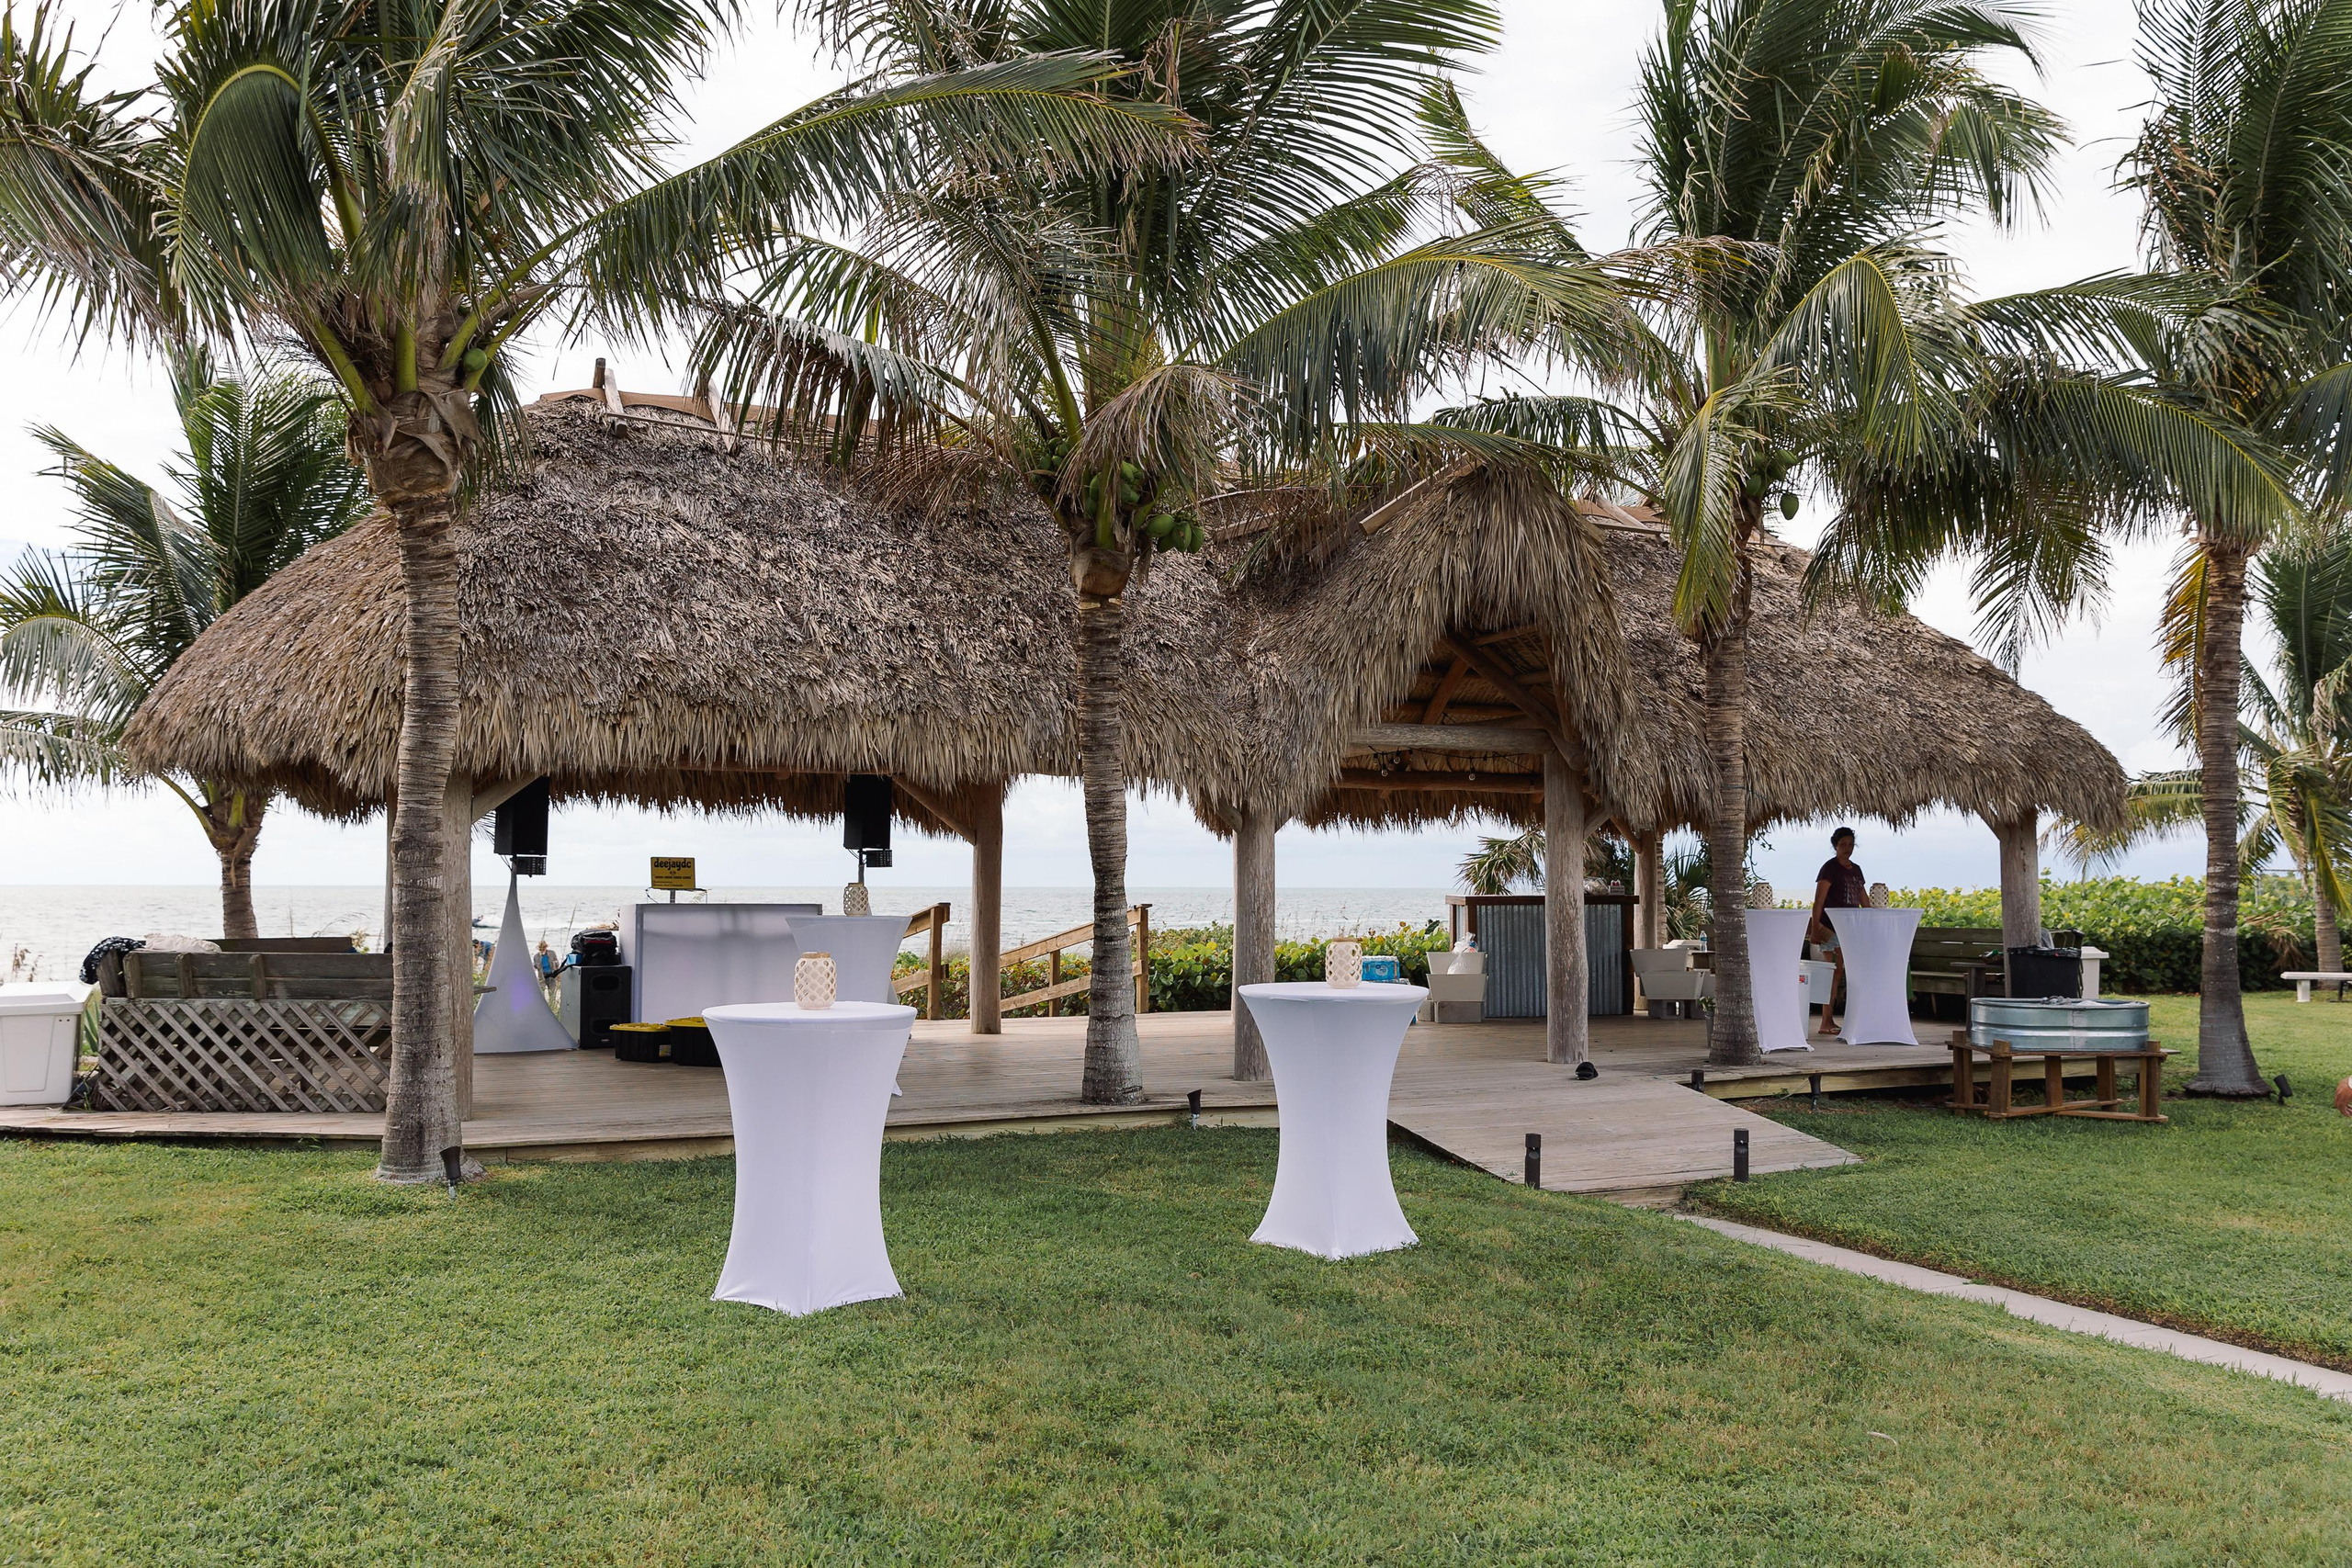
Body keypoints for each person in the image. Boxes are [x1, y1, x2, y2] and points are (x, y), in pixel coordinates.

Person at [1809, 826, 1868, 1035]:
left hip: (1849, 929)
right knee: (1834, 972)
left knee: (1839, 972)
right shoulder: (1829, 868)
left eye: (1851, 844)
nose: (1847, 848)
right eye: (1843, 844)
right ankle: (1826, 1020)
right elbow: (1818, 901)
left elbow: (1863, 900)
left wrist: (1870, 921)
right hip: (1830, 927)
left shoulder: (1857, 869)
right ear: (1835, 845)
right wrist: (1815, 929)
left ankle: (1830, 1019)